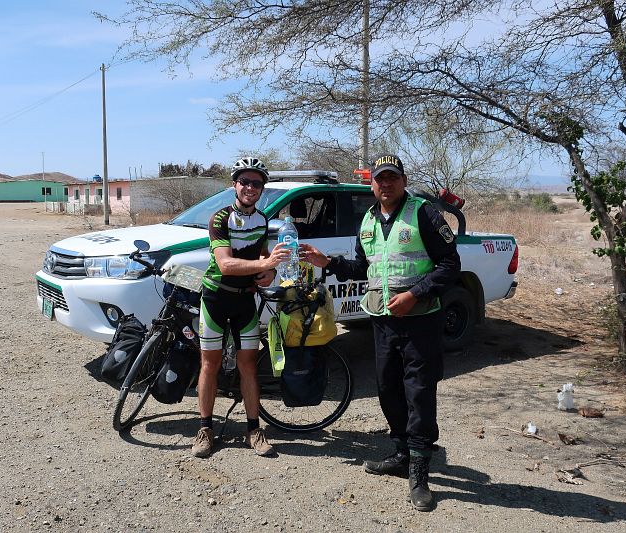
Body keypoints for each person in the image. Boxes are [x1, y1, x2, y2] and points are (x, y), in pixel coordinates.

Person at [300, 154, 460, 511]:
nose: (385, 184)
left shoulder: (423, 213)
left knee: (419, 392)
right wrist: (328, 262)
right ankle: (402, 453)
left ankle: (419, 471)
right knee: (388, 389)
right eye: (380, 179)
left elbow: (450, 264)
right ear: (372, 184)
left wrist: (414, 294)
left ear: (403, 181)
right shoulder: (369, 219)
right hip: (383, 321)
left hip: (421, 320)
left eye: (392, 178)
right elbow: (363, 267)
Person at [193, 156, 290, 458]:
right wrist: (266, 263)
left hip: (245, 299)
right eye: (245, 181)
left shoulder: (262, 220)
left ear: (262, 188)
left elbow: (261, 255)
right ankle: (205, 429)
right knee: (209, 364)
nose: (250, 187)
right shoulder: (220, 219)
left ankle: (253, 429)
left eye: (256, 183)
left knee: (248, 365)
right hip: (216, 298)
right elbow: (226, 264)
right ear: (234, 185)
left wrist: (270, 271)